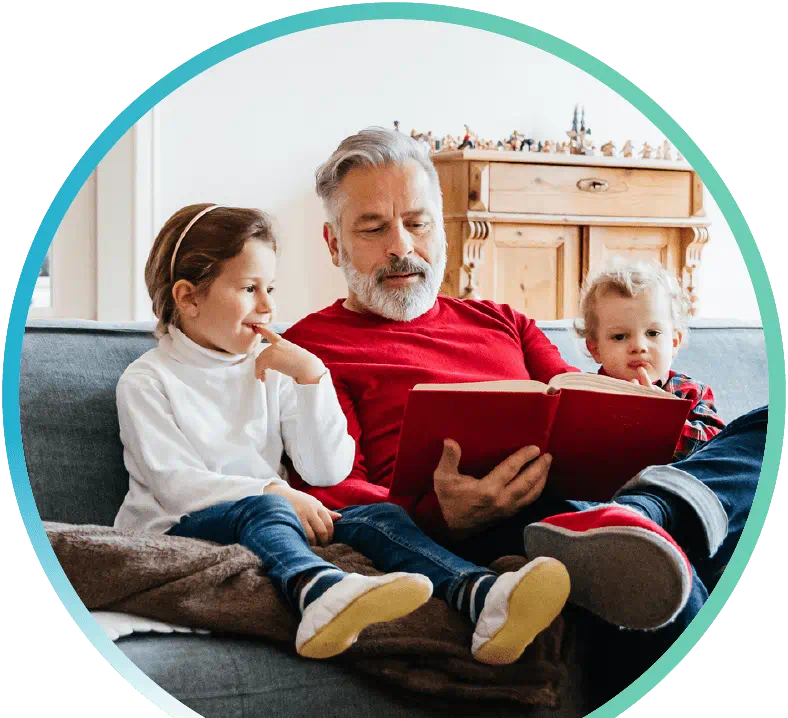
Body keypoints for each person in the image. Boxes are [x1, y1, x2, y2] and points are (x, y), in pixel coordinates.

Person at [282, 128, 766, 688]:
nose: (402, 247)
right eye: (372, 228)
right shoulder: (308, 353)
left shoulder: (503, 320)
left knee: (767, 427)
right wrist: (441, 516)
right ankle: (652, 518)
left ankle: (652, 510)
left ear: (441, 230)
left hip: (596, 500)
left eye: (417, 223)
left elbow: (580, 398)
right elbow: (335, 491)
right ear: (332, 242)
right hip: (493, 530)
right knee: (660, 578)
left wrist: (638, 413)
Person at [112, 202, 573, 666]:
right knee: (267, 508)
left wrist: (313, 380)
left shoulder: (273, 368)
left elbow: (325, 467)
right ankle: (317, 592)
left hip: (274, 516)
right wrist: (274, 490)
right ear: (189, 298)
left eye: (270, 288)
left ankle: (480, 594)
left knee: (377, 517)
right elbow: (175, 485)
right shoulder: (147, 381)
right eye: (250, 289)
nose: (269, 307)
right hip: (180, 526)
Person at [576, 258, 726, 460]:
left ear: (674, 342)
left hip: (669, 486)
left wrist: (663, 420)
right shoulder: (583, 395)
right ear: (595, 349)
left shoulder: (690, 393)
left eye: (653, 333)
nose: (639, 346)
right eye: (620, 336)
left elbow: (719, 448)